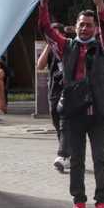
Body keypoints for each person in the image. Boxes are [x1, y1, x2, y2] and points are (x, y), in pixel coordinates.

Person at [39, 0, 104, 208]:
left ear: (94, 28)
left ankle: (101, 202)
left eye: (89, 25)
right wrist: (44, 5)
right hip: (74, 113)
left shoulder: (103, 47)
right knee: (77, 160)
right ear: (75, 26)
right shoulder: (67, 46)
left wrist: (100, 3)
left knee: (100, 159)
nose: (85, 29)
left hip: (99, 112)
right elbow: (46, 29)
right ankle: (79, 200)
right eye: (81, 25)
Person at [37, 31, 69, 172]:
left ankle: (63, 155)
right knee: (57, 124)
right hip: (54, 91)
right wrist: (48, 46)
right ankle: (67, 154)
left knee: (64, 123)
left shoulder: (69, 47)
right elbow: (40, 65)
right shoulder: (50, 50)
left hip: (68, 90)